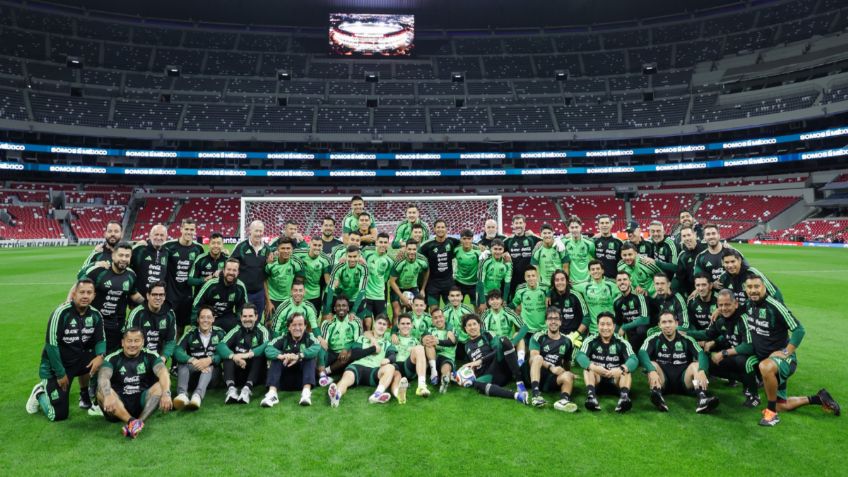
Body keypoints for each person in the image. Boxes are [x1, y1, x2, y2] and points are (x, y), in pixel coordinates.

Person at [744, 274, 840, 426]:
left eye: (757, 287)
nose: (753, 290)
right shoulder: (748, 304)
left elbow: (799, 329)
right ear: (745, 289)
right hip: (768, 361)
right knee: (781, 405)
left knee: (765, 366)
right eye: (749, 287)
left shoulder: (775, 306)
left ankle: (771, 414)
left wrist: (786, 352)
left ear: (764, 288)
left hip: (784, 361)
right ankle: (818, 398)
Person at [26, 279, 105, 421]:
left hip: (79, 362)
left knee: (105, 365)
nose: (85, 296)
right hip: (57, 367)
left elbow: (100, 340)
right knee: (58, 415)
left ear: (94, 296)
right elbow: (51, 345)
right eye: (82, 292)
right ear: (74, 294)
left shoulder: (96, 315)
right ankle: (39, 393)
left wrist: (100, 356)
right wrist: (60, 373)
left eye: (89, 293)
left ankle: (94, 402)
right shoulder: (61, 313)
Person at [687, 289, 760, 407]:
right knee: (704, 360)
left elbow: (749, 346)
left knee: (743, 362)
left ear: (735, 304)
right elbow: (708, 334)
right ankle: (701, 392)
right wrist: (687, 334)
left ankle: (753, 395)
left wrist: (723, 353)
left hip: (755, 356)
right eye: (720, 305)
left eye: (727, 304)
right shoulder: (721, 320)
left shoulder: (744, 319)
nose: (724, 308)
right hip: (735, 354)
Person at [96, 328, 172, 439]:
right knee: (101, 390)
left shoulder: (151, 356)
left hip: (141, 403)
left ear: (143, 342)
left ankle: (139, 422)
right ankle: (131, 421)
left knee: (161, 386)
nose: (132, 344)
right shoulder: (112, 358)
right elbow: (103, 377)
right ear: (122, 342)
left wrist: (166, 393)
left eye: (136, 341)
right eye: (129, 341)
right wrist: (107, 395)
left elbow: (163, 372)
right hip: (116, 406)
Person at [638, 312, 720, 413]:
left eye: (670, 322)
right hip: (663, 381)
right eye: (664, 322)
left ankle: (702, 399)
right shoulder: (654, 339)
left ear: (676, 323)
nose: (667, 325)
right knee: (652, 364)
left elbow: (701, 354)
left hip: (684, 381)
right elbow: (642, 353)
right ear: (659, 325)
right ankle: (658, 396)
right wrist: (651, 370)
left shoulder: (687, 339)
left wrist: (702, 370)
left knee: (696, 365)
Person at [82, 242, 144, 352]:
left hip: (116, 325)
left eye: (127, 256)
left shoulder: (131, 275)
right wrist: (68, 301)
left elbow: (133, 294)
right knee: (91, 356)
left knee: (110, 356)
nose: (124, 259)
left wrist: (148, 303)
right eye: (121, 255)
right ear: (113, 256)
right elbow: (79, 286)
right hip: (95, 323)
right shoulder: (98, 271)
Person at [327, 314, 397, 407]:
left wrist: (388, 359)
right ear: (374, 324)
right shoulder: (362, 338)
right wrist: (373, 348)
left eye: (384, 324)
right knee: (346, 378)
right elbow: (354, 354)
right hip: (358, 367)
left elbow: (392, 355)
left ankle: (377, 395)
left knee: (390, 367)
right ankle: (337, 395)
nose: (381, 326)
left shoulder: (387, 342)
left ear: (386, 327)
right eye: (379, 323)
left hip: (374, 370)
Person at [575, 312, 638, 413]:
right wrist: (594, 367)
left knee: (626, 370)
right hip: (597, 380)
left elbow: (634, 359)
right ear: (597, 326)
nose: (605, 327)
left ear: (614, 326)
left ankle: (624, 398)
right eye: (602, 324)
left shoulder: (622, 342)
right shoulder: (590, 340)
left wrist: (620, 369)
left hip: (616, 380)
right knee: (588, 368)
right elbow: (580, 356)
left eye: (608, 324)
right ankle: (591, 397)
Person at [460, 313, 529, 404]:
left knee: (504, 340)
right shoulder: (467, 346)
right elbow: (472, 364)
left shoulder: (487, 334)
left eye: (474, 324)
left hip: (499, 366)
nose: (472, 327)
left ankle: (519, 383)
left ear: (479, 325)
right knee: (477, 384)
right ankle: (517, 396)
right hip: (489, 375)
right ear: (465, 328)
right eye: (469, 325)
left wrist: (480, 361)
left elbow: (496, 351)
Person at [262, 313, 321, 407]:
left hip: (302, 381)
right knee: (276, 358)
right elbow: (268, 349)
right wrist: (283, 356)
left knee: (308, 357)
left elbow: (317, 347)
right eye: (294, 325)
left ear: (305, 326)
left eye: (300, 324)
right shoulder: (283, 338)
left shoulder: (310, 338)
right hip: (283, 381)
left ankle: (306, 394)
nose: (297, 328)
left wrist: (298, 356)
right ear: (289, 327)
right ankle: (272, 395)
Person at [172, 306, 225, 410]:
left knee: (208, 368)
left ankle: (197, 396)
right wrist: (192, 360)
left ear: (213, 319)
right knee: (183, 364)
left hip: (213, 375)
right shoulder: (190, 333)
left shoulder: (220, 333)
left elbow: (225, 353)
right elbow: (177, 351)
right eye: (202, 317)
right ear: (198, 319)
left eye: (209, 317)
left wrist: (210, 360)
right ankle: (182, 395)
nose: (205, 320)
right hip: (194, 371)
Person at [527, 307, 578, 412]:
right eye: (550, 318)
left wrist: (569, 374)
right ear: (546, 321)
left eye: (556, 318)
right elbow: (533, 357)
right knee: (538, 357)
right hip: (533, 375)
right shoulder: (538, 336)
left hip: (550, 380)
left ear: (560, 322)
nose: (553, 321)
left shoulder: (567, 341)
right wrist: (551, 367)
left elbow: (566, 362)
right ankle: (535, 395)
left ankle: (563, 401)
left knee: (568, 375)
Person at [218, 304, 269, 405]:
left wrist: (247, 355)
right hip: (239, 370)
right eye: (245, 316)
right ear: (241, 317)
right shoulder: (236, 329)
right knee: (228, 356)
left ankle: (247, 390)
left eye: (250, 316)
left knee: (258, 357)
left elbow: (267, 345)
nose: (247, 319)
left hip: (256, 374)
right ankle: (231, 390)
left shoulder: (262, 330)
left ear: (256, 317)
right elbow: (221, 345)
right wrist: (234, 356)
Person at [163, 218, 205, 332]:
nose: (189, 232)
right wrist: (144, 242)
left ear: (195, 231)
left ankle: (176, 348)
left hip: (187, 294)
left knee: (181, 326)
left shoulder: (199, 248)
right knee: (166, 325)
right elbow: (154, 248)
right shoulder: (169, 246)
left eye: (192, 229)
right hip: (170, 293)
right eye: (186, 229)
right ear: (181, 229)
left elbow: (204, 264)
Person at [125, 281, 177, 363]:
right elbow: (129, 340)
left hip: (158, 359)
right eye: (154, 294)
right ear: (148, 296)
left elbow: (170, 341)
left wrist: (163, 357)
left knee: (164, 375)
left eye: (161, 295)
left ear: (164, 297)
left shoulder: (170, 314)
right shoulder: (137, 313)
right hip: (137, 357)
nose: (158, 298)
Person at [317, 295, 364, 386]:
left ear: (348, 308)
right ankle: (322, 374)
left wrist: (346, 349)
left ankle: (325, 372)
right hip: (332, 353)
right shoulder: (328, 323)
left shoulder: (356, 321)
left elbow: (358, 343)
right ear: (334, 308)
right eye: (338, 306)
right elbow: (324, 344)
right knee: (318, 348)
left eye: (344, 305)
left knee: (353, 353)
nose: (341, 308)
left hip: (347, 355)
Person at [191, 258, 247, 331]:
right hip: (209, 317)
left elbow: (243, 309)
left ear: (238, 272)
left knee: (239, 330)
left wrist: (240, 322)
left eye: (234, 270)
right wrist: (194, 326)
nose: (231, 272)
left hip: (227, 318)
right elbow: (197, 305)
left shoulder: (240, 287)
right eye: (229, 269)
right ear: (223, 271)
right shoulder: (211, 284)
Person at [231, 220, 271, 322]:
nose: (259, 234)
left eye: (261, 231)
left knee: (257, 319)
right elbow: (231, 264)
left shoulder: (267, 248)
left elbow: (268, 267)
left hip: (259, 292)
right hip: (244, 292)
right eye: (256, 231)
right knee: (243, 320)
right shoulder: (241, 247)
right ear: (250, 231)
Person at [717, 247, 782, 307]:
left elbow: (773, 291)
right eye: (727, 262)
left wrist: (779, 309)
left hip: (754, 313)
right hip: (736, 316)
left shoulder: (752, 272)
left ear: (739, 260)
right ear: (723, 263)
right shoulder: (723, 277)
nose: (730, 265)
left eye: (733, 261)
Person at [389, 313, 431, 403]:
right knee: (396, 376)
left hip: (408, 366)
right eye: (403, 324)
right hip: (394, 366)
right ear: (398, 325)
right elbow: (368, 333)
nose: (405, 326)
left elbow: (422, 359)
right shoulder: (390, 337)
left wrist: (413, 350)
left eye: (408, 324)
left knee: (419, 348)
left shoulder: (415, 340)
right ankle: (398, 395)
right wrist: (392, 334)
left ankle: (421, 385)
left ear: (412, 325)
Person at [420, 219, 461, 309]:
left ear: (446, 229)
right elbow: (414, 252)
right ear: (434, 229)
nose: (440, 229)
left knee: (451, 310)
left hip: (448, 283)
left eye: (442, 227)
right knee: (434, 311)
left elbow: (467, 243)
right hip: (433, 284)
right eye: (438, 227)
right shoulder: (427, 245)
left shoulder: (452, 241)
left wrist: (480, 246)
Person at [573, 260, 619, 335]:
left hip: (610, 328)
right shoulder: (585, 286)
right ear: (589, 272)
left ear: (602, 271)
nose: (595, 271)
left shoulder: (612, 285)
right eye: (593, 269)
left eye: (598, 269)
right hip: (593, 329)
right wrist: (549, 293)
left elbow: (627, 288)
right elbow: (566, 286)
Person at [264, 236, 305, 318]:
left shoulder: (297, 263)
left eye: (288, 248)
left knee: (289, 326)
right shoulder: (270, 262)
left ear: (292, 249)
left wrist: (296, 301)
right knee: (270, 326)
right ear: (278, 249)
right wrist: (268, 302)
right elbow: (264, 281)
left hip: (289, 300)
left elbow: (300, 284)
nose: (286, 251)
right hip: (272, 300)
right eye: (283, 248)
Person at [503, 215, 541, 301]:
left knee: (530, 302)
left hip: (529, 278)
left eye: (520, 223)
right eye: (516, 223)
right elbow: (495, 250)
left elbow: (547, 241)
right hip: (513, 279)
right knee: (515, 303)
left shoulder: (531, 238)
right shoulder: (508, 241)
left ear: (525, 224)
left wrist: (534, 234)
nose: (518, 225)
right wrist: (503, 254)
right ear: (512, 225)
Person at [361, 233, 394, 330]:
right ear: (376, 242)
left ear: (388, 244)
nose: (383, 244)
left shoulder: (390, 261)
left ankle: (378, 343)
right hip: (366, 294)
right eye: (380, 242)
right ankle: (367, 342)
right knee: (367, 323)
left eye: (385, 242)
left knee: (380, 323)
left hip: (379, 295)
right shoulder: (367, 253)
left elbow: (385, 278)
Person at [481, 290, 525, 362]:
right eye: (492, 299)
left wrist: (513, 342)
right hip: (494, 344)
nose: (495, 302)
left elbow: (524, 327)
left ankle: (520, 360)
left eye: (497, 299)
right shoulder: (485, 315)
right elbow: (483, 334)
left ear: (501, 300)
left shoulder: (509, 311)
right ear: (488, 302)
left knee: (517, 335)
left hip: (509, 343)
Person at [325, 245, 368, 318]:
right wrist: (328, 310)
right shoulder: (338, 266)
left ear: (359, 256)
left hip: (356, 297)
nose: (352, 259)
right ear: (346, 256)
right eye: (350, 256)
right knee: (333, 320)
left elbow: (362, 290)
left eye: (355, 256)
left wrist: (354, 311)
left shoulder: (364, 267)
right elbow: (331, 287)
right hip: (342, 297)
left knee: (359, 322)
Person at [612, 271, 651, 351]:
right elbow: (618, 322)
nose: (622, 282)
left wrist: (624, 327)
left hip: (645, 331)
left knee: (640, 330)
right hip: (630, 332)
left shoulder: (640, 295)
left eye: (625, 279)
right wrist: (614, 337)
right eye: (619, 280)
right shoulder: (617, 301)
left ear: (630, 281)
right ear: (616, 283)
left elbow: (645, 320)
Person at [293, 237, 333, 314]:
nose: (317, 247)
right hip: (299, 293)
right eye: (314, 245)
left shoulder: (325, 259)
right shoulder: (298, 253)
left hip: (315, 294)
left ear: (322, 246)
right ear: (309, 244)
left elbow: (327, 280)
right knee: (297, 318)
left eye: (319, 245)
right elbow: (285, 253)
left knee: (312, 319)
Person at [389, 239, 428, 316]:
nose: (411, 252)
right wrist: (402, 297)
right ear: (405, 249)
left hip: (412, 287)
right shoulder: (399, 262)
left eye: (414, 249)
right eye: (409, 249)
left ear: (417, 249)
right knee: (397, 312)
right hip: (398, 288)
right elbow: (392, 282)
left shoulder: (422, 260)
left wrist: (423, 289)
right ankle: (395, 328)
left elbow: (427, 270)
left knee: (416, 311)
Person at [422, 308, 456, 393]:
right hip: (432, 358)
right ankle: (434, 372)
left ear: (444, 318)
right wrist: (425, 339)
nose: (438, 320)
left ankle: (444, 380)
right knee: (429, 343)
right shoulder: (430, 330)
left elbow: (452, 342)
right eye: (435, 318)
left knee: (446, 366)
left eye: (440, 317)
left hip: (447, 356)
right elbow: (422, 339)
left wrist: (438, 341)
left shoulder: (451, 329)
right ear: (432, 320)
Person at [547, 269, 589, 338]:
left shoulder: (575, 295)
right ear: (553, 283)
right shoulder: (550, 297)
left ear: (567, 281)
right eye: (557, 280)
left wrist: (576, 334)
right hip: (558, 336)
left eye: (562, 279)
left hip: (576, 334)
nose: (560, 282)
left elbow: (586, 317)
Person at [131, 224, 169, 296]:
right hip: (138, 298)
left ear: (166, 237)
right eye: (156, 234)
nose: (158, 237)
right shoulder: (140, 249)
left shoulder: (166, 252)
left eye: (162, 235)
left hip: (157, 298)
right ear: (150, 236)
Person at [512, 266, 549, 339]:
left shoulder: (545, 288)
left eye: (533, 276)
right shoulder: (520, 289)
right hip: (527, 329)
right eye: (528, 276)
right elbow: (514, 305)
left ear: (537, 276)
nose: (531, 278)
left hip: (543, 329)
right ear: (525, 278)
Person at [187, 232, 229, 296]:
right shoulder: (201, 259)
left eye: (218, 243)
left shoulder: (227, 260)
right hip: (201, 300)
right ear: (209, 244)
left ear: (222, 245)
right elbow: (190, 281)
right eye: (213, 243)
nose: (216, 246)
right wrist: (205, 279)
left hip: (220, 300)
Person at [476, 238, 512, 311]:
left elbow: (507, 283)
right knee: (481, 319)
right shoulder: (485, 260)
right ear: (491, 249)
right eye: (495, 249)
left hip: (497, 294)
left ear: (503, 250)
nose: (497, 252)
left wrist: (504, 300)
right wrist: (482, 302)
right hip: (484, 294)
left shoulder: (508, 263)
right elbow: (480, 282)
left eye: (500, 249)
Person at [671, 226, 707, 296]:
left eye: (689, 235)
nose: (687, 238)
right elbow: (679, 277)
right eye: (684, 236)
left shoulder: (706, 248)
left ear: (695, 235)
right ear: (681, 238)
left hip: (709, 290)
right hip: (691, 294)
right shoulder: (682, 255)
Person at [442, 286, 475, 361]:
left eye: (457, 295)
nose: (455, 298)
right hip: (451, 342)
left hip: (465, 342)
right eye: (452, 296)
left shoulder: (468, 311)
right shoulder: (444, 312)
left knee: (467, 358)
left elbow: (476, 328)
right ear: (448, 297)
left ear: (461, 297)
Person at [453, 229, 482, 305]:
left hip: (474, 284)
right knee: (457, 306)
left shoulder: (478, 251)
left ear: (472, 239)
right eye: (464, 239)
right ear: (460, 239)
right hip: (459, 282)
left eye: (469, 239)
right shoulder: (456, 249)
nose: (466, 241)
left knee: (477, 309)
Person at [563, 216, 594, 284]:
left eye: (576, 227)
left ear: (580, 227)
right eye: (572, 227)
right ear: (568, 228)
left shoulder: (589, 243)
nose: (574, 230)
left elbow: (593, 262)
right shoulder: (564, 242)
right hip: (572, 283)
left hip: (587, 282)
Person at [593, 215, 623, 279]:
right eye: (602, 223)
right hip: (598, 279)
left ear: (611, 224)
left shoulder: (619, 243)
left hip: (614, 279)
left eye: (607, 223)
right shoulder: (593, 242)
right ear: (598, 225)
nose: (604, 225)